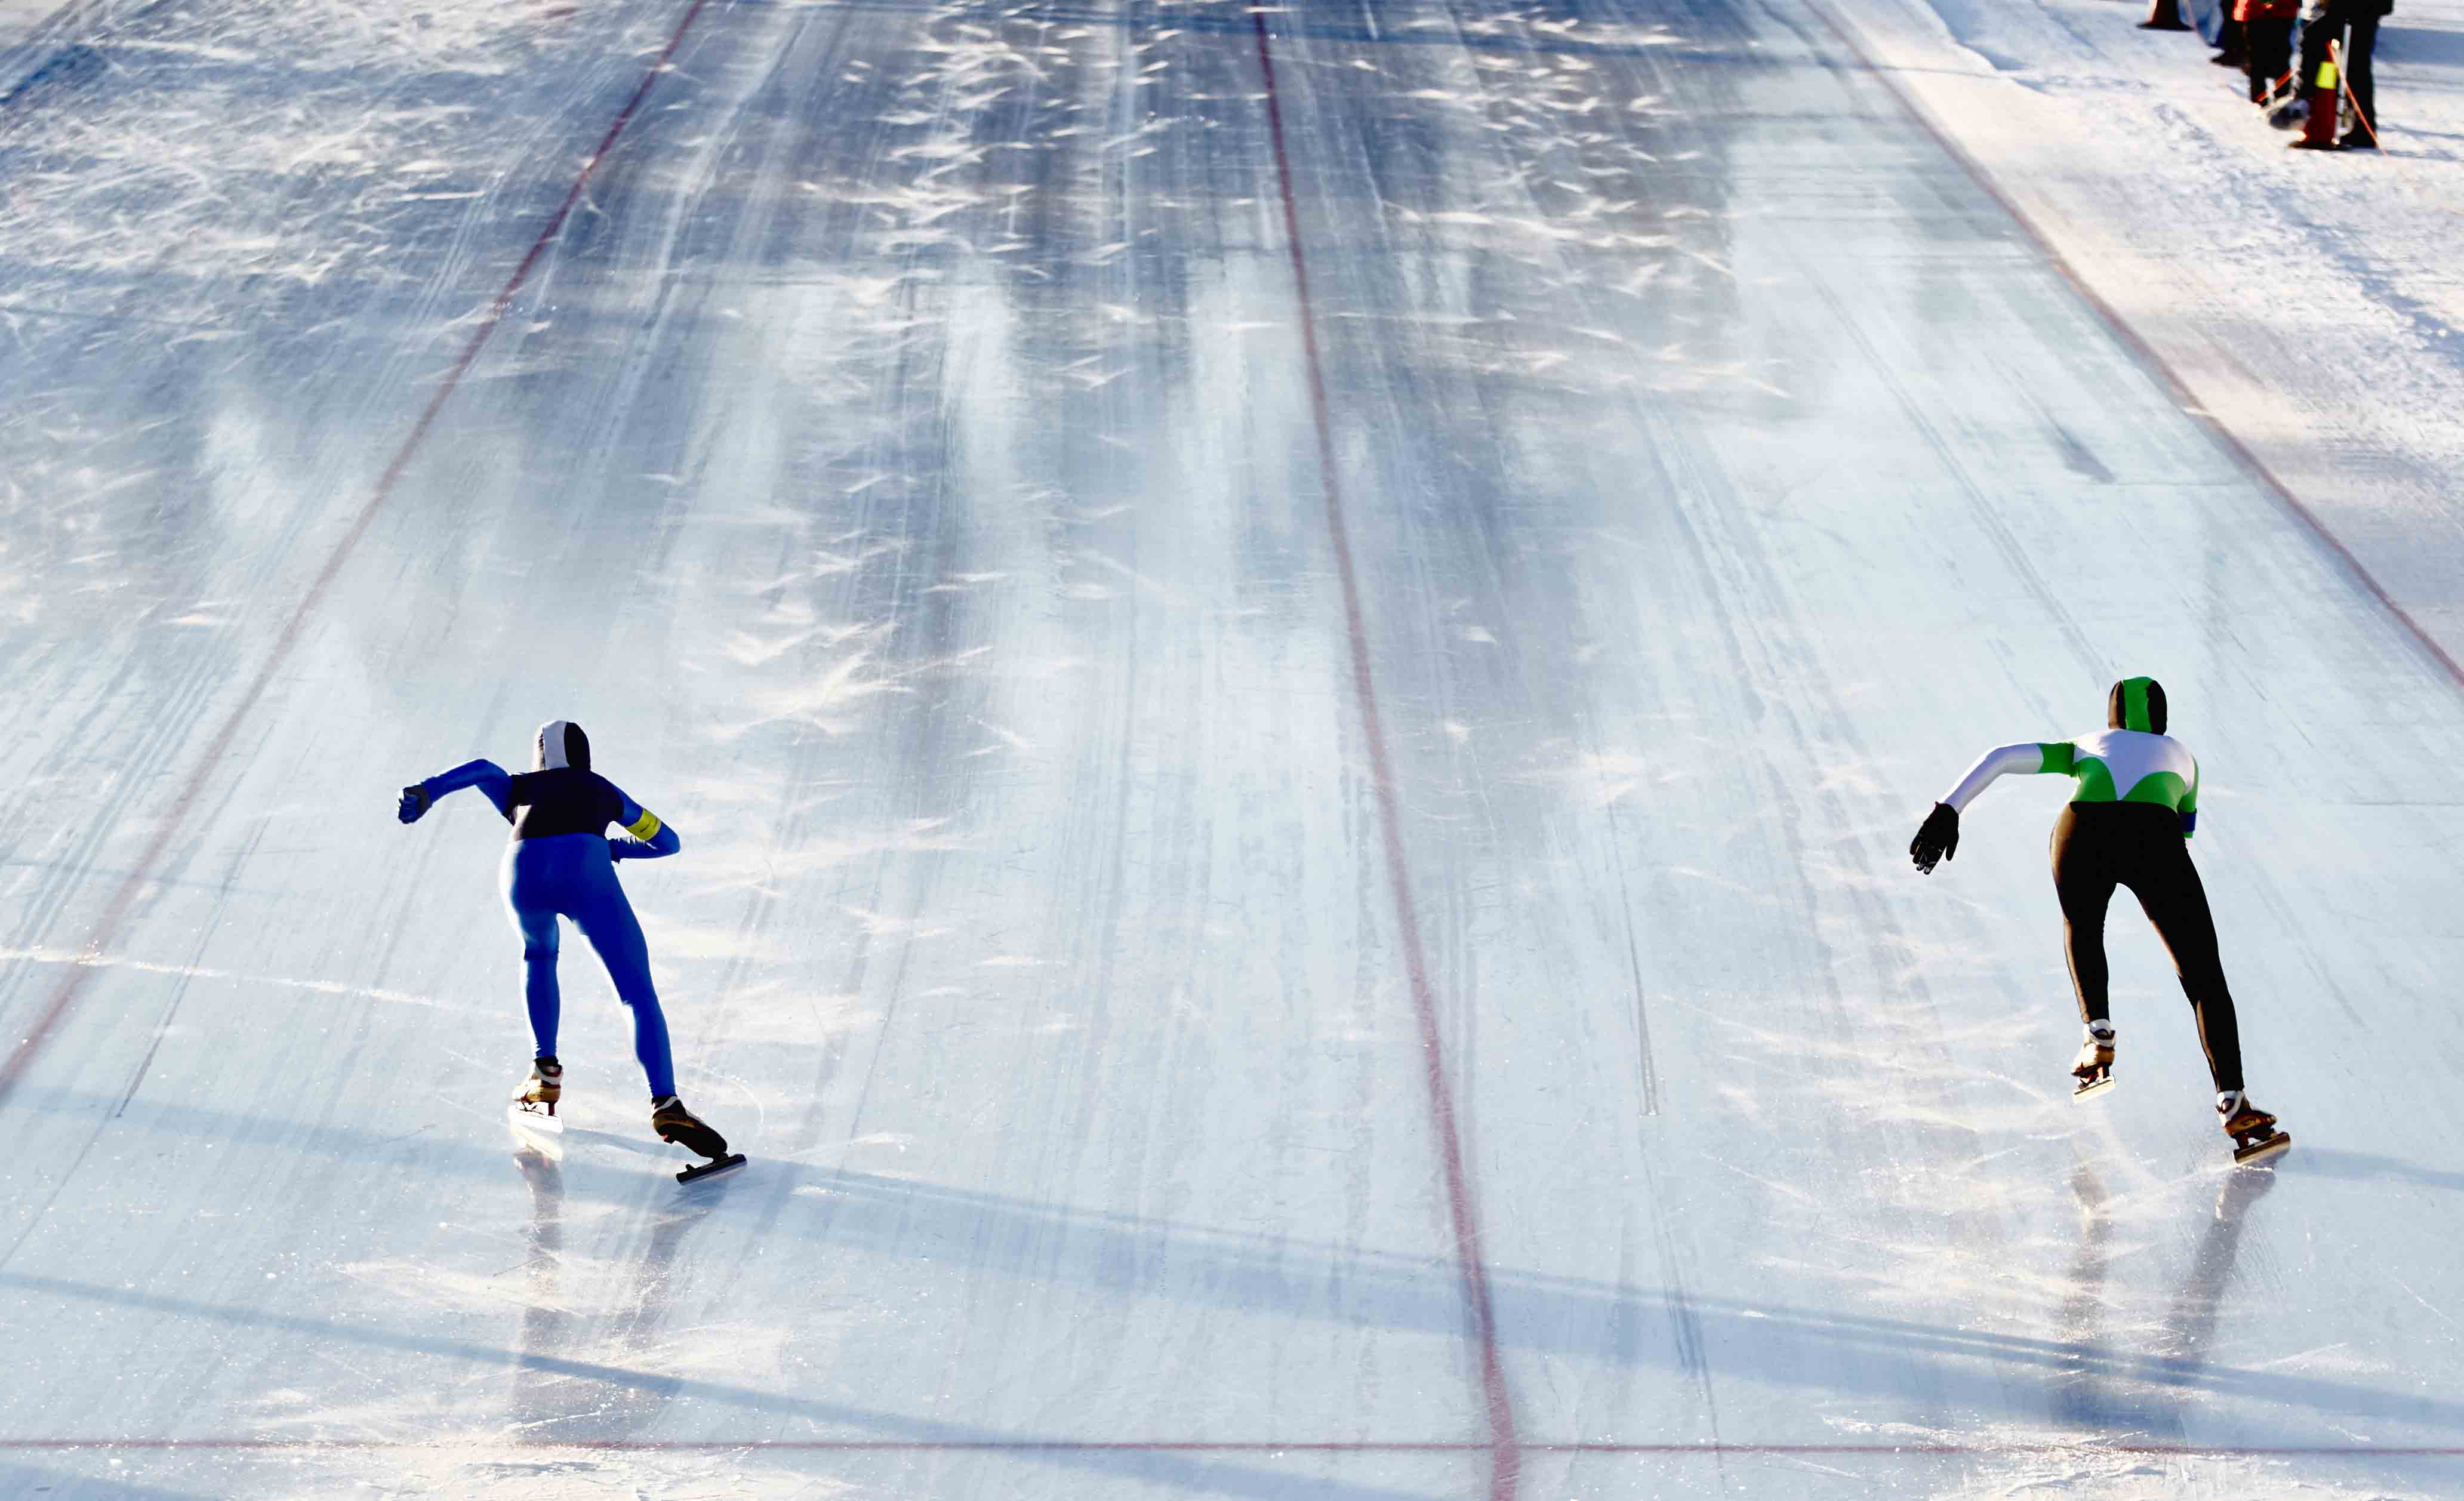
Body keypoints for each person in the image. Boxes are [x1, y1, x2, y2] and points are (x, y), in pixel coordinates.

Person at [1908, 679, 2288, 1163]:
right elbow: (2183, 829)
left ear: (2112, 716)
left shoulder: (2086, 744)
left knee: (2083, 925)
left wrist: (1950, 807)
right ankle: (2232, 1101)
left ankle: (2098, 1034)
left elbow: (2002, 756)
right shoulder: (2185, 759)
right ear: (2162, 719)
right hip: (2156, 838)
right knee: (2203, 977)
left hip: (2080, 830)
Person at [396, 720, 732, 1163]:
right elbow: (668, 842)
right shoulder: (600, 788)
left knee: (538, 953)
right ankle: (666, 1103)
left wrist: (428, 791)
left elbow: (481, 768)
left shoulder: (518, 787)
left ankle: (545, 1071)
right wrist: (615, 848)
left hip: (522, 872)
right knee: (635, 992)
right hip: (585, 869)